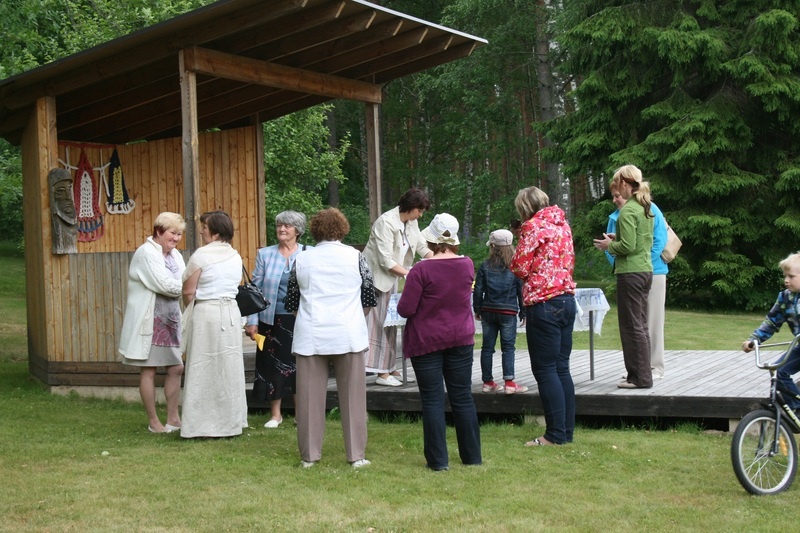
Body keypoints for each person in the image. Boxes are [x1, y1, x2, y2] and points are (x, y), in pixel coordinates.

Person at [285, 208, 376, 468]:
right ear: (343, 229)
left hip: (311, 332)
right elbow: (368, 298)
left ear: (314, 231)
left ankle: (309, 456)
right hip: (348, 333)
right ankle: (356, 455)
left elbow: (292, 301)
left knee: (309, 399)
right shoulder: (356, 257)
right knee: (354, 398)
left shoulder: (301, 259)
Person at [397, 213, 482, 471]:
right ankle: (472, 457)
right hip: (460, 337)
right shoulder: (467, 264)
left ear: (431, 239)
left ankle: (438, 461)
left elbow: (405, 309)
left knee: (433, 400)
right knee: (463, 397)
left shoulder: (421, 269)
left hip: (427, 339)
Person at [510, 187, 577, 446]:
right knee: (562, 368)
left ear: (525, 207)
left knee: (546, 369)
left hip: (543, 303)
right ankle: (566, 432)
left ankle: (554, 435)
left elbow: (519, 267)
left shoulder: (532, 227)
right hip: (567, 300)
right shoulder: (564, 225)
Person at [180, 211, 248, 438]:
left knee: (202, 366)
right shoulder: (236, 256)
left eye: (205, 227)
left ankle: (200, 425)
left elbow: (188, 291)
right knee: (228, 368)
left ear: (216, 232)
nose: (201, 231)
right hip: (230, 313)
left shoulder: (201, 255)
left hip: (207, 313)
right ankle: (230, 423)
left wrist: (193, 307)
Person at [118, 212, 186, 433]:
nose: (176, 238)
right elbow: (165, 285)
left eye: (179, 234)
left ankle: (173, 418)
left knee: (176, 367)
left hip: (172, 319)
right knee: (149, 369)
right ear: (159, 231)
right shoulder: (146, 253)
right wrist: (186, 287)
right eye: (172, 233)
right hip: (151, 321)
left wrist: (185, 286)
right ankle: (154, 421)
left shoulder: (175, 255)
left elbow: (183, 279)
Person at [245, 211, 310, 429]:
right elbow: (255, 291)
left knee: (298, 366)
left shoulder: (308, 253)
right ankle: (275, 415)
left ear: (298, 231)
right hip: (269, 320)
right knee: (271, 366)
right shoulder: (265, 254)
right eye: (279, 225)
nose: (282, 229)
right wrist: (252, 321)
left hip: (299, 319)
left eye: (287, 226)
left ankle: (302, 414)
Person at [363, 188, 433, 386]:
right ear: (410, 208)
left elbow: (420, 244)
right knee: (378, 326)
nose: (420, 215)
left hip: (394, 279)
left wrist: (436, 260)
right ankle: (381, 373)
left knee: (392, 323)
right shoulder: (385, 222)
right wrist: (411, 275)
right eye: (419, 211)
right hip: (376, 281)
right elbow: (385, 260)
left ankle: (391, 367)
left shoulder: (411, 221)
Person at [594, 165, 655, 389]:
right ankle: (639, 374)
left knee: (631, 326)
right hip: (645, 270)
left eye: (618, 186)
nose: (616, 194)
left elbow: (628, 246)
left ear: (625, 184)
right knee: (640, 324)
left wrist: (610, 245)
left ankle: (639, 378)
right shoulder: (644, 207)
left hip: (630, 272)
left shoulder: (629, 210)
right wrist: (616, 237)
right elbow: (639, 241)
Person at [605, 180, 669, 379]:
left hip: (653, 271)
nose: (616, 199)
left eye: (618, 195)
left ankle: (655, 367)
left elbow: (659, 240)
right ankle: (638, 368)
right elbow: (610, 247)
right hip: (629, 271)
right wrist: (619, 263)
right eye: (613, 196)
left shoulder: (649, 209)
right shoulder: (615, 217)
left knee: (652, 320)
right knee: (634, 322)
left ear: (628, 190)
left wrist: (641, 264)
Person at [743, 252, 800, 411]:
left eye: (791, 276)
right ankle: (797, 408)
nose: (786, 280)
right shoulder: (785, 298)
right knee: (779, 371)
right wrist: (754, 340)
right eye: (785, 276)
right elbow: (772, 321)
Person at [473, 229, 527, 394]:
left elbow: (478, 290)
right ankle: (509, 382)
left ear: (493, 246)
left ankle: (488, 382)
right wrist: (523, 312)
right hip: (508, 311)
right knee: (508, 347)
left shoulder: (485, 266)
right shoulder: (515, 266)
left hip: (488, 310)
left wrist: (477, 308)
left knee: (487, 347)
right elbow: (521, 291)